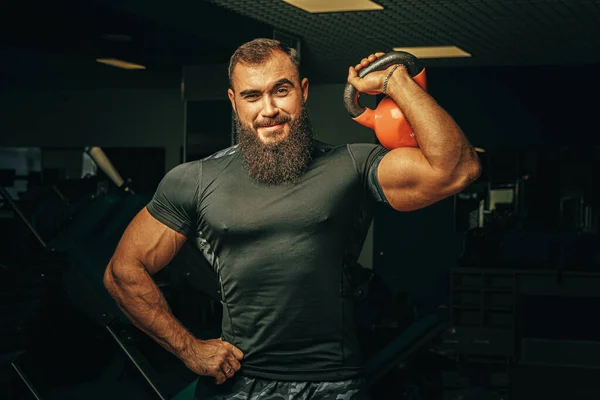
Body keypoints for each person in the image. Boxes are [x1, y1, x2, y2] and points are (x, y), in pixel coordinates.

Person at [103, 38, 481, 399]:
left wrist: (397, 82)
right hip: (238, 384)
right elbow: (124, 271)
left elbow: (457, 170)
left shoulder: (351, 165)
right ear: (234, 103)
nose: (268, 109)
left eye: (280, 91)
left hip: (334, 385)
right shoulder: (195, 179)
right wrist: (189, 350)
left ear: (303, 91)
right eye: (252, 96)